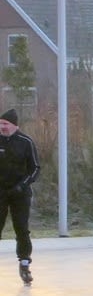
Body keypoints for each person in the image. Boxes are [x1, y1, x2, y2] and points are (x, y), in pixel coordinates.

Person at [0, 108, 40, 284]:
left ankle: (24, 264)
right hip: (1, 192)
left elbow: (35, 169)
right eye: (0, 124)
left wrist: (22, 185)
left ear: (14, 125)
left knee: (21, 229)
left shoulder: (26, 142)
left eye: (5, 124)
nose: (2, 127)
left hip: (20, 194)